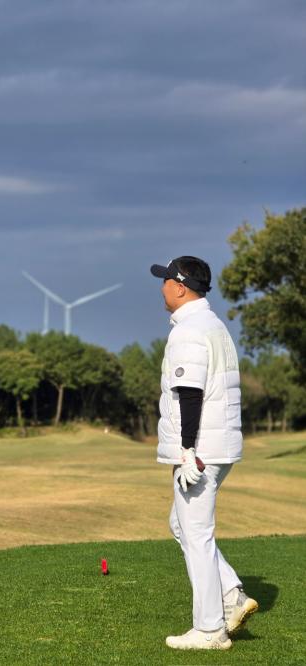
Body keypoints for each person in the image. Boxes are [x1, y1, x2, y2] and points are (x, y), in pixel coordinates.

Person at [150, 256, 258, 651]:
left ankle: (211, 629)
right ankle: (231, 595)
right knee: (181, 525)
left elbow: (190, 394)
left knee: (196, 533)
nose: (162, 286)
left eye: (166, 280)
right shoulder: (213, 325)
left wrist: (187, 451)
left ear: (180, 287)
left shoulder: (188, 331)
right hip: (219, 445)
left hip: (200, 450)